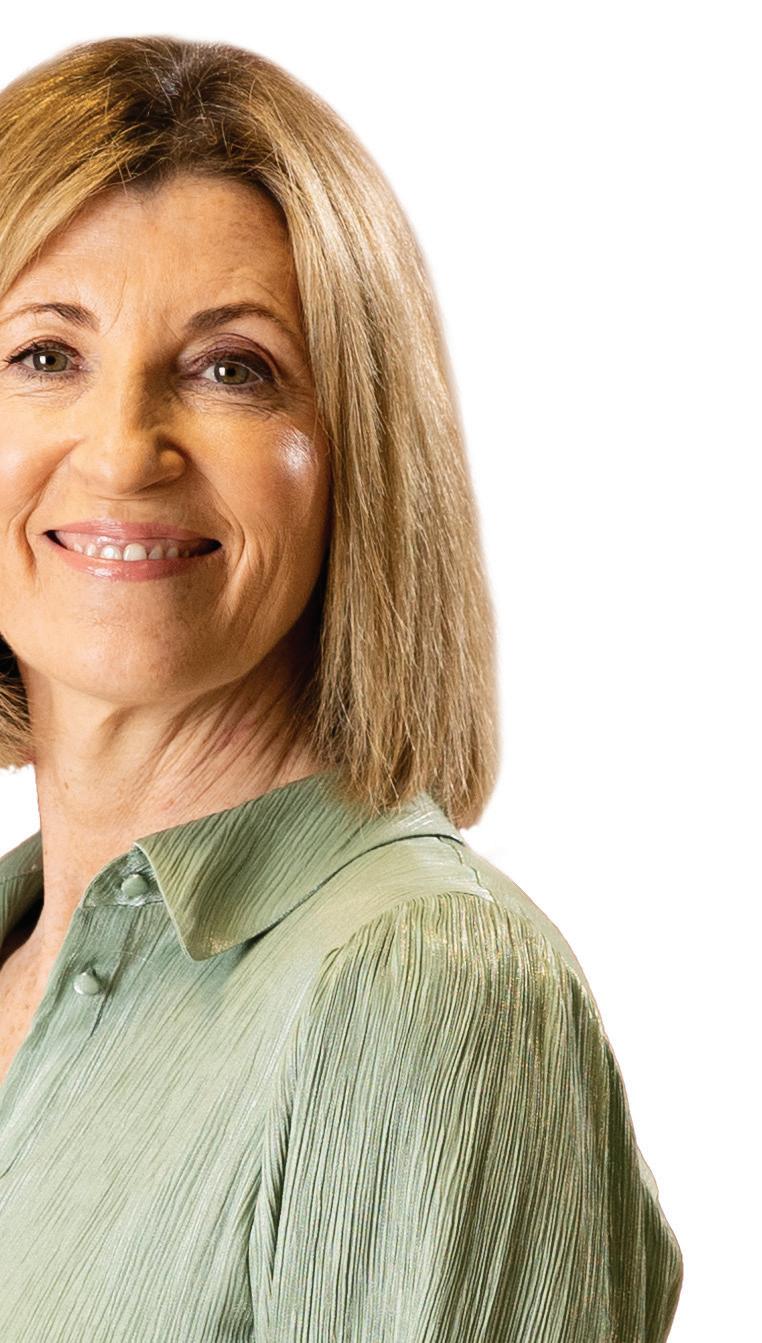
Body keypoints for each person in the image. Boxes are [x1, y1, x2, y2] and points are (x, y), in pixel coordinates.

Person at [0, 33, 683, 1342]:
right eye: (43, 355)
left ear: (361, 447)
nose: (123, 452)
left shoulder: (426, 989)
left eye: (231, 369)